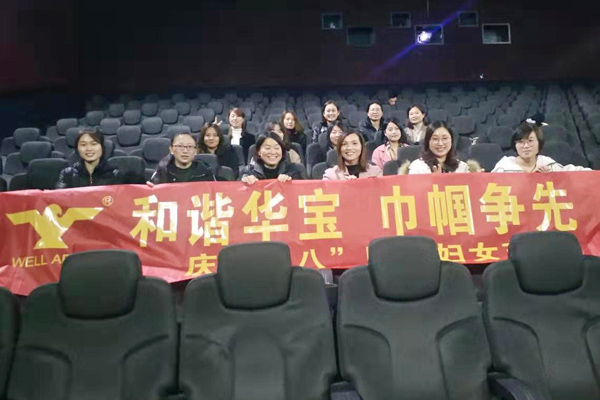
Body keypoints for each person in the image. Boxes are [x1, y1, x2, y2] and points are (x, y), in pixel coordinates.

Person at [492, 121, 591, 173]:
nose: (526, 146)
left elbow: (570, 173)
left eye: (530, 141)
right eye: (520, 142)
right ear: (515, 145)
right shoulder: (504, 168)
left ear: (539, 143)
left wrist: (550, 178)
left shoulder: (547, 164)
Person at [56, 128, 124, 189]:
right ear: (77, 149)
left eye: (94, 144)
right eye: (83, 145)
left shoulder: (115, 175)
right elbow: (59, 197)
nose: (89, 149)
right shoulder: (67, 174)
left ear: (102, 147)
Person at [149, 132, 215, 184]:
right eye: (180, 146)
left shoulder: (204, 170)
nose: (185, 151)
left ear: (195, 151)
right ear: (171, 150)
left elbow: (214, 191)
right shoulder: (163, 170)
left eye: (190, 147)